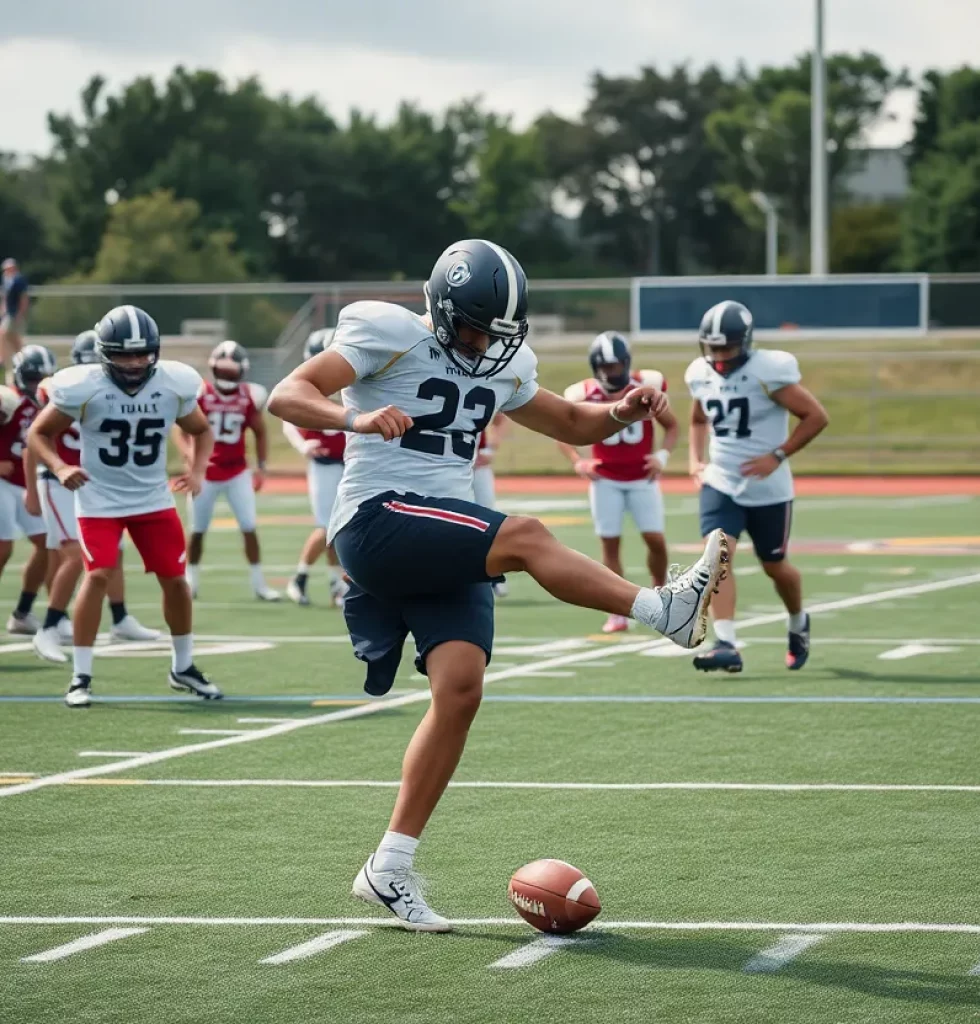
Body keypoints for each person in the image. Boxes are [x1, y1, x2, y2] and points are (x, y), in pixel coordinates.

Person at [268, 238, 728, 932]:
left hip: (443, 530)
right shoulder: (387, 332)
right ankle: (663, 609)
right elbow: (288, 393)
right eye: (475, 327)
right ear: (442, 308)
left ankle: (388, 867)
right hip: (376, 518)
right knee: (525, 535)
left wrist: (626, 412)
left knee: (459, 689)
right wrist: (353, 417)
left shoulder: (503, 358)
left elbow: (572, 421)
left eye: (497, 332)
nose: (483, 343)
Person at [27, 304, 222, 708]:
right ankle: (81, 675)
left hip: (152, 498)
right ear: (103, 353)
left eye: (141, 354)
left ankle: (182, 666)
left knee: (175, 580)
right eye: (123, 354)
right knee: (97, 574)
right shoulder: (83, 385)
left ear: (155, 351)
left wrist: (198, 470)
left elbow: (201, 430)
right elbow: (39, 433)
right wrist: (61, 466)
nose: (134, 363)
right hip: (99, 498)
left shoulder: (173, 382)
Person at [685, 300, 828, 674]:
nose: (718, 355)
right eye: (712, 347)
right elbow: (698, 417)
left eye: (726, 347)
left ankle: (798, 621)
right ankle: (727, 642)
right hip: (721, 480)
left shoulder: (770, 371)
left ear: (745, 342)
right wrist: (695, 459)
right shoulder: (699, 373)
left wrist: (778, 454)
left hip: (768, 488)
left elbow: (816, 416)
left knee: (775, 566)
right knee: (717, 558)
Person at [25, 331, 160, 663]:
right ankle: (50, 626)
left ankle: (120, 617)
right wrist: (32, 487)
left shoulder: (118, 389)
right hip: (59, 481)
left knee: (112, 553)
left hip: (97, 484)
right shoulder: (62, 387)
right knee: (74, 556)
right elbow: (36, 438)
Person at [557, 332, 679, 633]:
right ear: (595, 367)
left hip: (642, 477)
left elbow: (672, 425)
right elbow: (561, 429)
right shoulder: (584, 392)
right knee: (610, 546)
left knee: (655, 540)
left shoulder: (646, 386)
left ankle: (661, 595)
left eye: (616, 366)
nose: (612, 373)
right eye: (606, 367)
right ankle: (618, 610)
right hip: (605, 479)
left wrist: (662, 456)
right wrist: (578, 461)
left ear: (626, 364)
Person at [182, 340, 279, 602]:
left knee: (249, 527)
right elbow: (180, 427)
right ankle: (191, 581)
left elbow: (260, 432)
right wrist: (190, 455)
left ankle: (259, 584)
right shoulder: (200, 392)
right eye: (223, 370)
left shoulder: (249, 395)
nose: (226, 375)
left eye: (231, 371)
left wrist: (261, 467)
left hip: (237, 472)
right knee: (197, 529)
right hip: (205, 472)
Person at [282, 328, 348, 608]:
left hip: (347, 463)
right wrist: (302, 446)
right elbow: (286, 416)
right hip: (323, 464)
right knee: (326, 527)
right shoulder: (306, 386)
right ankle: (300, 578)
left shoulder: (350, 383)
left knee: (341, 527)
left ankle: (336, 584)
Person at [0, 345, 53, 634]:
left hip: (26, 484)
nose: (38, 385)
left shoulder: (49, 404)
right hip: (3, 483)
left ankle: (22, 612)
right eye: (34, 378)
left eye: (44, 378)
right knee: (2, 549)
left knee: (47, 544)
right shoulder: (7, 400)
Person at [472, 411, 511, 597]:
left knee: (486, 520)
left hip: (475, 465)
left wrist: (490, 448)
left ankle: (494, 576)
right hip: (437, 466)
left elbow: (500, 417)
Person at [1, 258, 30, 382]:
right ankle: (22, 361)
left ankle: (6, 360)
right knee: (15, 341)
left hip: (14, 315)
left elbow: (23, 298)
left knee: (3, 334)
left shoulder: (19, 280)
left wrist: (20, 313)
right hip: (9, 314)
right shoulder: (7, 280)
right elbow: (5, 299)